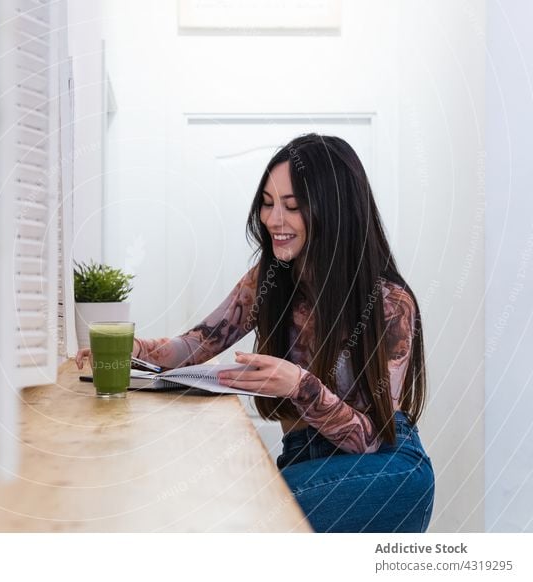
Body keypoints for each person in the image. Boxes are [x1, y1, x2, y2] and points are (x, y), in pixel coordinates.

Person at [76, 134, 434, 533]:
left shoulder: (390, 304)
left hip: (386, 470)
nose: (273, 220)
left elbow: (368, 441)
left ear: (334, 210)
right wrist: (134, 350)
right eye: (266, 204)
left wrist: (299, 385)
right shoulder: (269, 281)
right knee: (226, 518)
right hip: (307, 462)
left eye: (292, 207)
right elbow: (197, 344)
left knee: (229, 518)